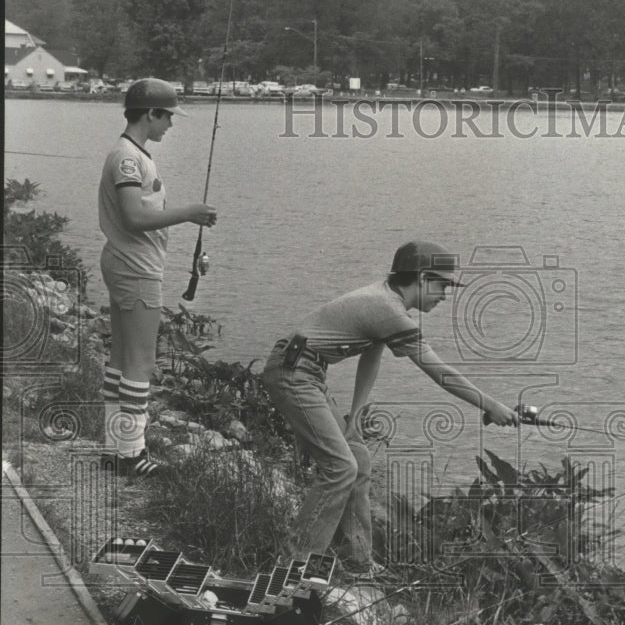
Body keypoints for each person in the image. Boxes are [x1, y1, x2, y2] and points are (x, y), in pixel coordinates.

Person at [262, 240, 519, 577]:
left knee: (359, 458)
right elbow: (441, 373)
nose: (445, 295)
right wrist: (490, 405)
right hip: (293, 374)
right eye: (442, 285)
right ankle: (293, 567)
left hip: (305, 372)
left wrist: (355, 414)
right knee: (340, 467)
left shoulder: (385, 300)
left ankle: (357, 562)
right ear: (424, 278)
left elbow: (371, 354)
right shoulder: (390, 310)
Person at [99, 78, 218, 476]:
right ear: (150, 114)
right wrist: (189, 213)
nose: (170, 124)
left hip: (126, 263)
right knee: (141, 362)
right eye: (167, 116)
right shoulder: (129, 160)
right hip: (135, 268)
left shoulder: (132, 154)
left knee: (120, 360)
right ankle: (132, 455)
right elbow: (134, 217)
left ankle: (115, 448)